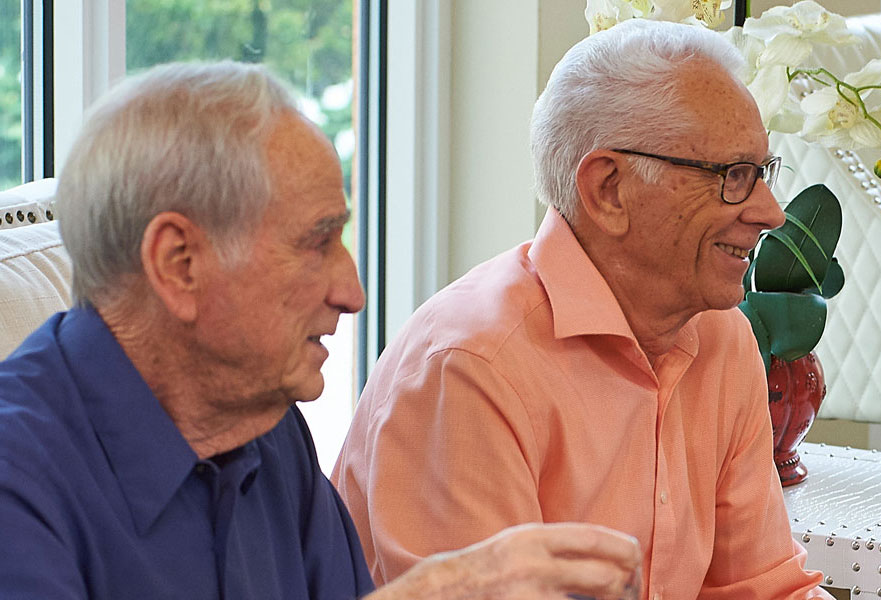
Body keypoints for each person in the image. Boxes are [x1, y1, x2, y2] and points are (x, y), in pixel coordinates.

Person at [0, 62, 642, 600]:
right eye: (316, 243)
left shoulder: (267, 426)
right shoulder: (18, 475)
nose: (353, 293)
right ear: (179, 263)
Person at [332, 19, 830, 599]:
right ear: (608, 189)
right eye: (734, 176)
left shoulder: (722, 336)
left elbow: (762, 587)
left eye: (764, 174)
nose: (771, 213)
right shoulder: (472, 366)